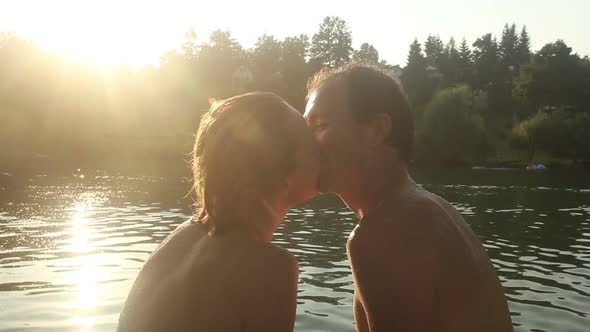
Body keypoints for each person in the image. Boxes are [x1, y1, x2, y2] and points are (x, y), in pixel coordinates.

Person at [303, 63, 513, 332]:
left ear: (377, 130)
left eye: (319, 125)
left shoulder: (385, 232)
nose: (306, 143)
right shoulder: (426, 209)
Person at [118, 92, 319, 332]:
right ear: (282, 176)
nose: (323, 151)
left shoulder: (182, 237)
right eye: (312, 146)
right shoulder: (271, 268)